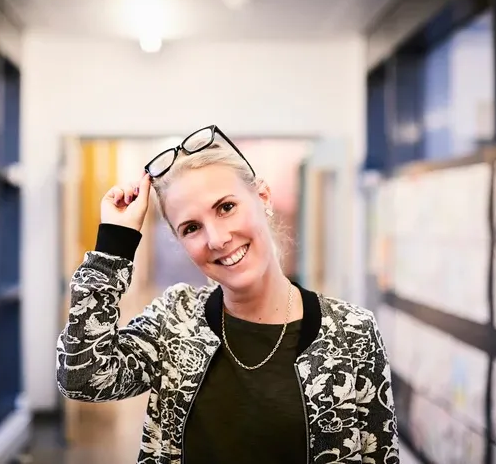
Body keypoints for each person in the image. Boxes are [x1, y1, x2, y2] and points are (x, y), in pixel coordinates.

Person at [56, 125, 399, 464]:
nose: (217, 239)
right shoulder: (174, 320)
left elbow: (380, 456)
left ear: (262, 197)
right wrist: (114, 246)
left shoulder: (352, 333)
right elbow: (82, 377)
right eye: (191, 228)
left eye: (225, 207)